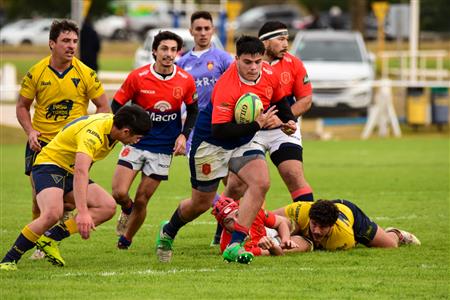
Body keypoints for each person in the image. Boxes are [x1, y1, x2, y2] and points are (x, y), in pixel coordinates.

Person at [155, 35, 297, 264]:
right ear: (236, 59)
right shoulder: (227, 85)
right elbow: (220, 130)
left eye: (257, 62)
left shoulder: (268, 74)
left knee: (261, 183)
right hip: (211, 144)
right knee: (200, 203)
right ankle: (168, 230)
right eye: (247, 62)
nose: (253, 67)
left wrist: (288, 121)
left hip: (244, 141)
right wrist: (257, 125)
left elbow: (280, 100)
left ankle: (235, 244)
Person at [0, 106, 152, 271]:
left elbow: (84, 168)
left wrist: (76, 196)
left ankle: (49, 239)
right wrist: (83, 212)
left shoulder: (113, 127)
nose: (137, 141)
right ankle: (8, 260)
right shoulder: (93, 135)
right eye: (138, 137)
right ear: (126, 131)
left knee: (107, 207)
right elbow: (81, 171)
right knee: (52, 214)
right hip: (49, 165)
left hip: (69, 170)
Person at [16, 19, 110, 259]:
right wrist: (30, 131)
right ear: (52, 43)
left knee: (66, 200)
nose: (71, 46)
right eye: (66, 41)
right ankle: (39, 246)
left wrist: (89, 133)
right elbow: (22, 107)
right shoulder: (36, 73)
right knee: (42, 202)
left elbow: (103, 107)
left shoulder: (86, 73)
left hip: (72, 148)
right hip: (42, 143)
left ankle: (47, 240)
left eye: (75, 42)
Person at [110, 31, 198, 250]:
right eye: (164, 49)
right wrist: (123, 133)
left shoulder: (185, 80)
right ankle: (126, 209)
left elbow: (194, 110)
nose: (168, 54)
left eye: (172, 50)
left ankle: (126, 239)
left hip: (162, 148)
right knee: (119, 193)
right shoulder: (137, 77)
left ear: (177, 53)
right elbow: (116, 105)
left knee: (142, 199)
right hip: (136, 144)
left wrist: (183, 135)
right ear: (154, 51)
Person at [224, 22, 314, 207]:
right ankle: (221, 233)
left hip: (281, 130)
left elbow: (306, 100)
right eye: (280, 39)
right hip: (250, 132)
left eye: (286, 39)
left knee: (293, 174)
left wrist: (283, 120)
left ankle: (309, 227)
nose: (286, 44)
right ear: (264, 42)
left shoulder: (294, 64)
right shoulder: (245, 65)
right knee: (236, 185)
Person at [176, 11, 233, 245]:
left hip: (223, 128)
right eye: (197, 29)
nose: (202, 33)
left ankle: (226, 231)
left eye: (206, 29)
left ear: (212, 31)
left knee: (233, 183)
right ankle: (228, 219)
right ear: (191, 31)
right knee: (205, 191)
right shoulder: (181, 63)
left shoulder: (223, 59)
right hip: (195, 133)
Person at [273, 199, 421, 251]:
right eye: (314, 224)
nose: (317, 230)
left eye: (322, 227)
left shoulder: (343, 237)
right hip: (328, 208)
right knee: (287, 224)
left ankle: (397, 233)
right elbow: (267, 216)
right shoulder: (301, 210)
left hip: (351, 215)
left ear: (331, 225)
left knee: (389, 245)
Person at [212, 196, 313, 256]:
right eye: (229, 221)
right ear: (224, 227)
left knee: (291, 224)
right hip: (266, 243)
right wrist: (273, 246)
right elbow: (278, 253)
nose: (237, 221)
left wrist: (285, 240)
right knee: (306, 243)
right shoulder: (231, 247)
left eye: (238, 214)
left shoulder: (253, 212)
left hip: (266, 231)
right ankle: (315, 242)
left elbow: (282, 222)